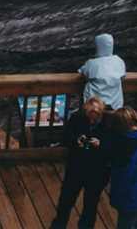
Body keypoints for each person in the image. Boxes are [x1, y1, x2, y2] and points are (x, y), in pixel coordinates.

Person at [50, 97, 111, 229]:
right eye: (89, 115)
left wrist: (100, 144)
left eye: (95, 117)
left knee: (90, 204)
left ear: (101, 113)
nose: (92, 119)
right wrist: (76, 140)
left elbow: (114, 146)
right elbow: (65, 136)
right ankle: (59, 225)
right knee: (66, 200)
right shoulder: (77, 118)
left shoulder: (109, 123)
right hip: (76, 166)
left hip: (97, 170)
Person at [79, 33, 126, 110]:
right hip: (115, 104)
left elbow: (84, 73)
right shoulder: (119, 61)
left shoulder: (91, 63)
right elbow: (123, 77)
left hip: (94, 106)